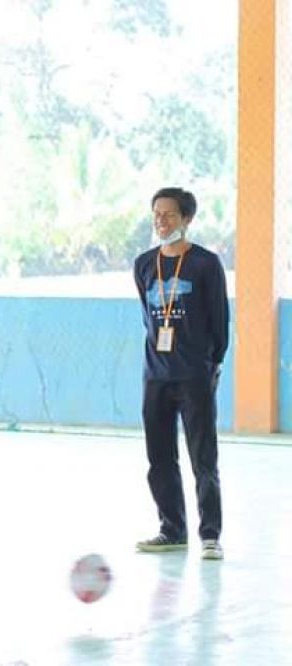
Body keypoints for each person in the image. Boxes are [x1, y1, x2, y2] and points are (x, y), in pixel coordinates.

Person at [133, 187, 229, 561]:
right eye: (156, 213)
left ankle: (210, 535)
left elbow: (219, 319)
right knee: (159, 458)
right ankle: (171, 529)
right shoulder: (143, 264)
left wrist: (212, 363)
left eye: (169, 214)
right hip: (156, 375)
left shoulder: (205, 264)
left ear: (187, 219)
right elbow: (148, 317)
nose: (161, 221)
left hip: (194, 375)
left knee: (202, 457)